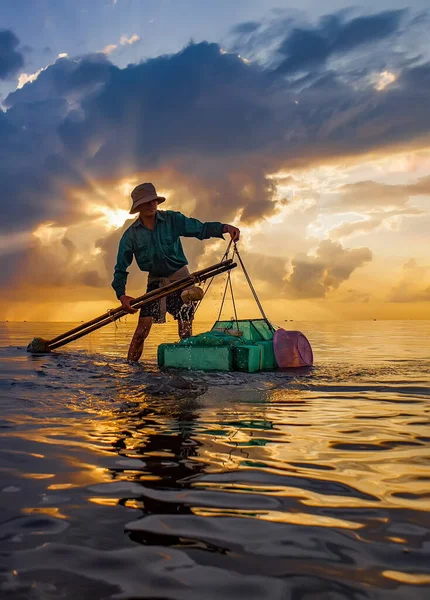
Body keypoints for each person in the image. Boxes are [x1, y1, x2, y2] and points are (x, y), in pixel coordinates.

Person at [112, 182, 240, 362]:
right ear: (138, 207)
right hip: (155, 283)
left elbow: (200, 228)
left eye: (153, 201)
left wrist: (224, 228)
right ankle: (130, 369)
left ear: (157, 202)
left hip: (181, 279)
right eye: (146, 202)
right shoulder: (131, 235)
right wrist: (122, 295)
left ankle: (187, 369)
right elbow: (120, 268)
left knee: (185, 332)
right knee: (142, 330)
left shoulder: (172, 220)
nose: (151, 205)